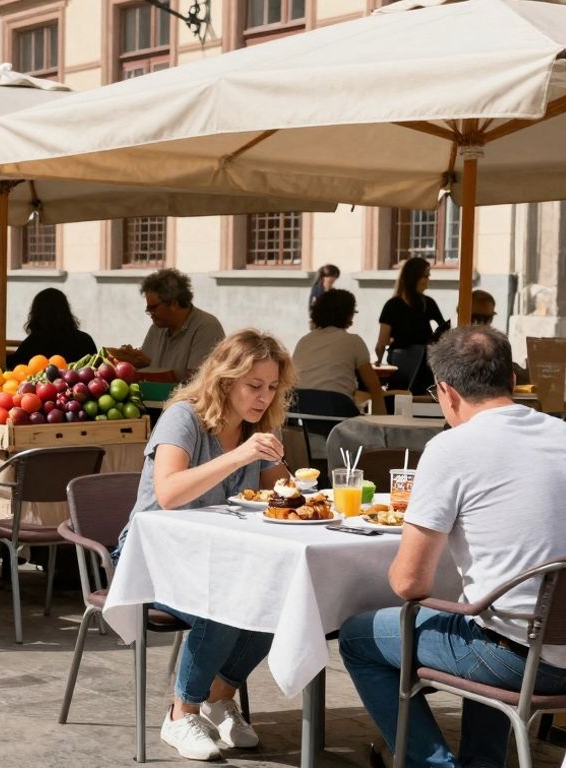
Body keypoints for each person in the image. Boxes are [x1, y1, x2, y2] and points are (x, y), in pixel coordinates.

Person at [339, 326, 566, 768]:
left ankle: (430, 764)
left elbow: (409, 583)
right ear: (511, 380)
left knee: (357, 635)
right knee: (488, 615)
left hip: (520, 660)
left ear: (445, 392)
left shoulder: (452, 447)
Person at [114, 329, 294, 760]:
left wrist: (292, 483)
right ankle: (181, 714)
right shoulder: (184, 418)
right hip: (152, 556)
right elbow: (170, 493)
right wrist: (241, 455)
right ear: (225, 379)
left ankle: (220, 695)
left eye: (272, 388)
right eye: (254, 386)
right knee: (227, 598)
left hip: (222, 555)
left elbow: (283, 493)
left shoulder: (256, 427)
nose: (263, 397)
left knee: (285, 593)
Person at [109, 268, 226, 382]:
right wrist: (132, 362)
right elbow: (148, 369)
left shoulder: (207, 327)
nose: (150, 313)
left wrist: (152, 368)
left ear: (173, 304)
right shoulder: (157, 328)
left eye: (153, 307)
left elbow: (199, 378)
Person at [293, 289, 386, 414]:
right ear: (348, 314)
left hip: (303, 412)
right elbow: (374, 387)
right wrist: (381, 425)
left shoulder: (304, 341)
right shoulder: (353, 341)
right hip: (338, 412)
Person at [375, 256, 448, 394]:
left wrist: (379, 360)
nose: (428, 280)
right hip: (424, 361)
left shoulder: (392, 305)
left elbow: (382, 342)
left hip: (400, 362)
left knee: (397, 396)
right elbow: (443, 330)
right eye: (425, 276)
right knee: (421, 399)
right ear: (415, 278)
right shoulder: (427, 303)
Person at [7, 288, 97, 369]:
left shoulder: (32, 343)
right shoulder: (85, 340)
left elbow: (14, 366)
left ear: (36, 314)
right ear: (66, 312)